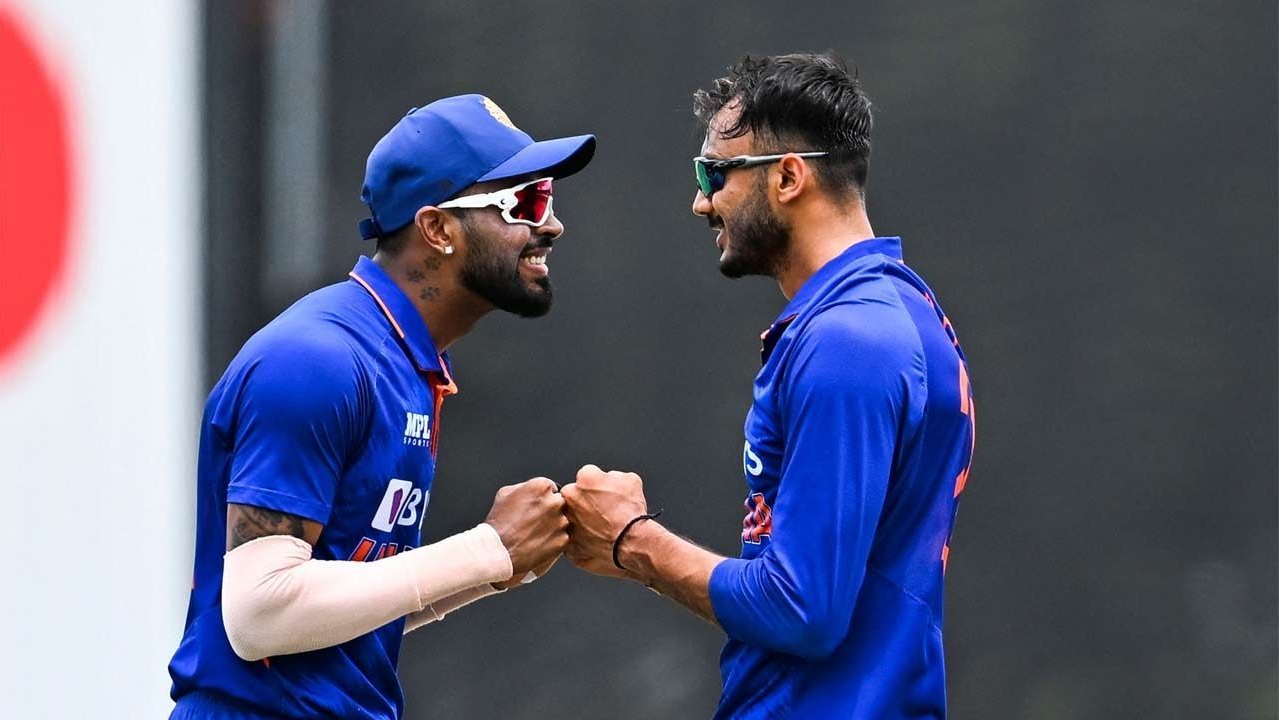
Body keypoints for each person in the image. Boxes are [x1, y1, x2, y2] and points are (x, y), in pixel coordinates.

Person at [562, 53, 976, 718]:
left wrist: (634, 540)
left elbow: (801, 609)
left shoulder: (848, 341)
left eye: (714, 173)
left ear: (787, 177)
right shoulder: (897, 315)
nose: (701, 200)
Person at [168, 94, 595, 719]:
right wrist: (485, 548)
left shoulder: (397, 359)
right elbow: (259, 614)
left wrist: (493, 566)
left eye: (547, 199)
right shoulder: (317, 360)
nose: (551, 224)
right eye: (524, 201)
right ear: (438, 230)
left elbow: (342, 608)